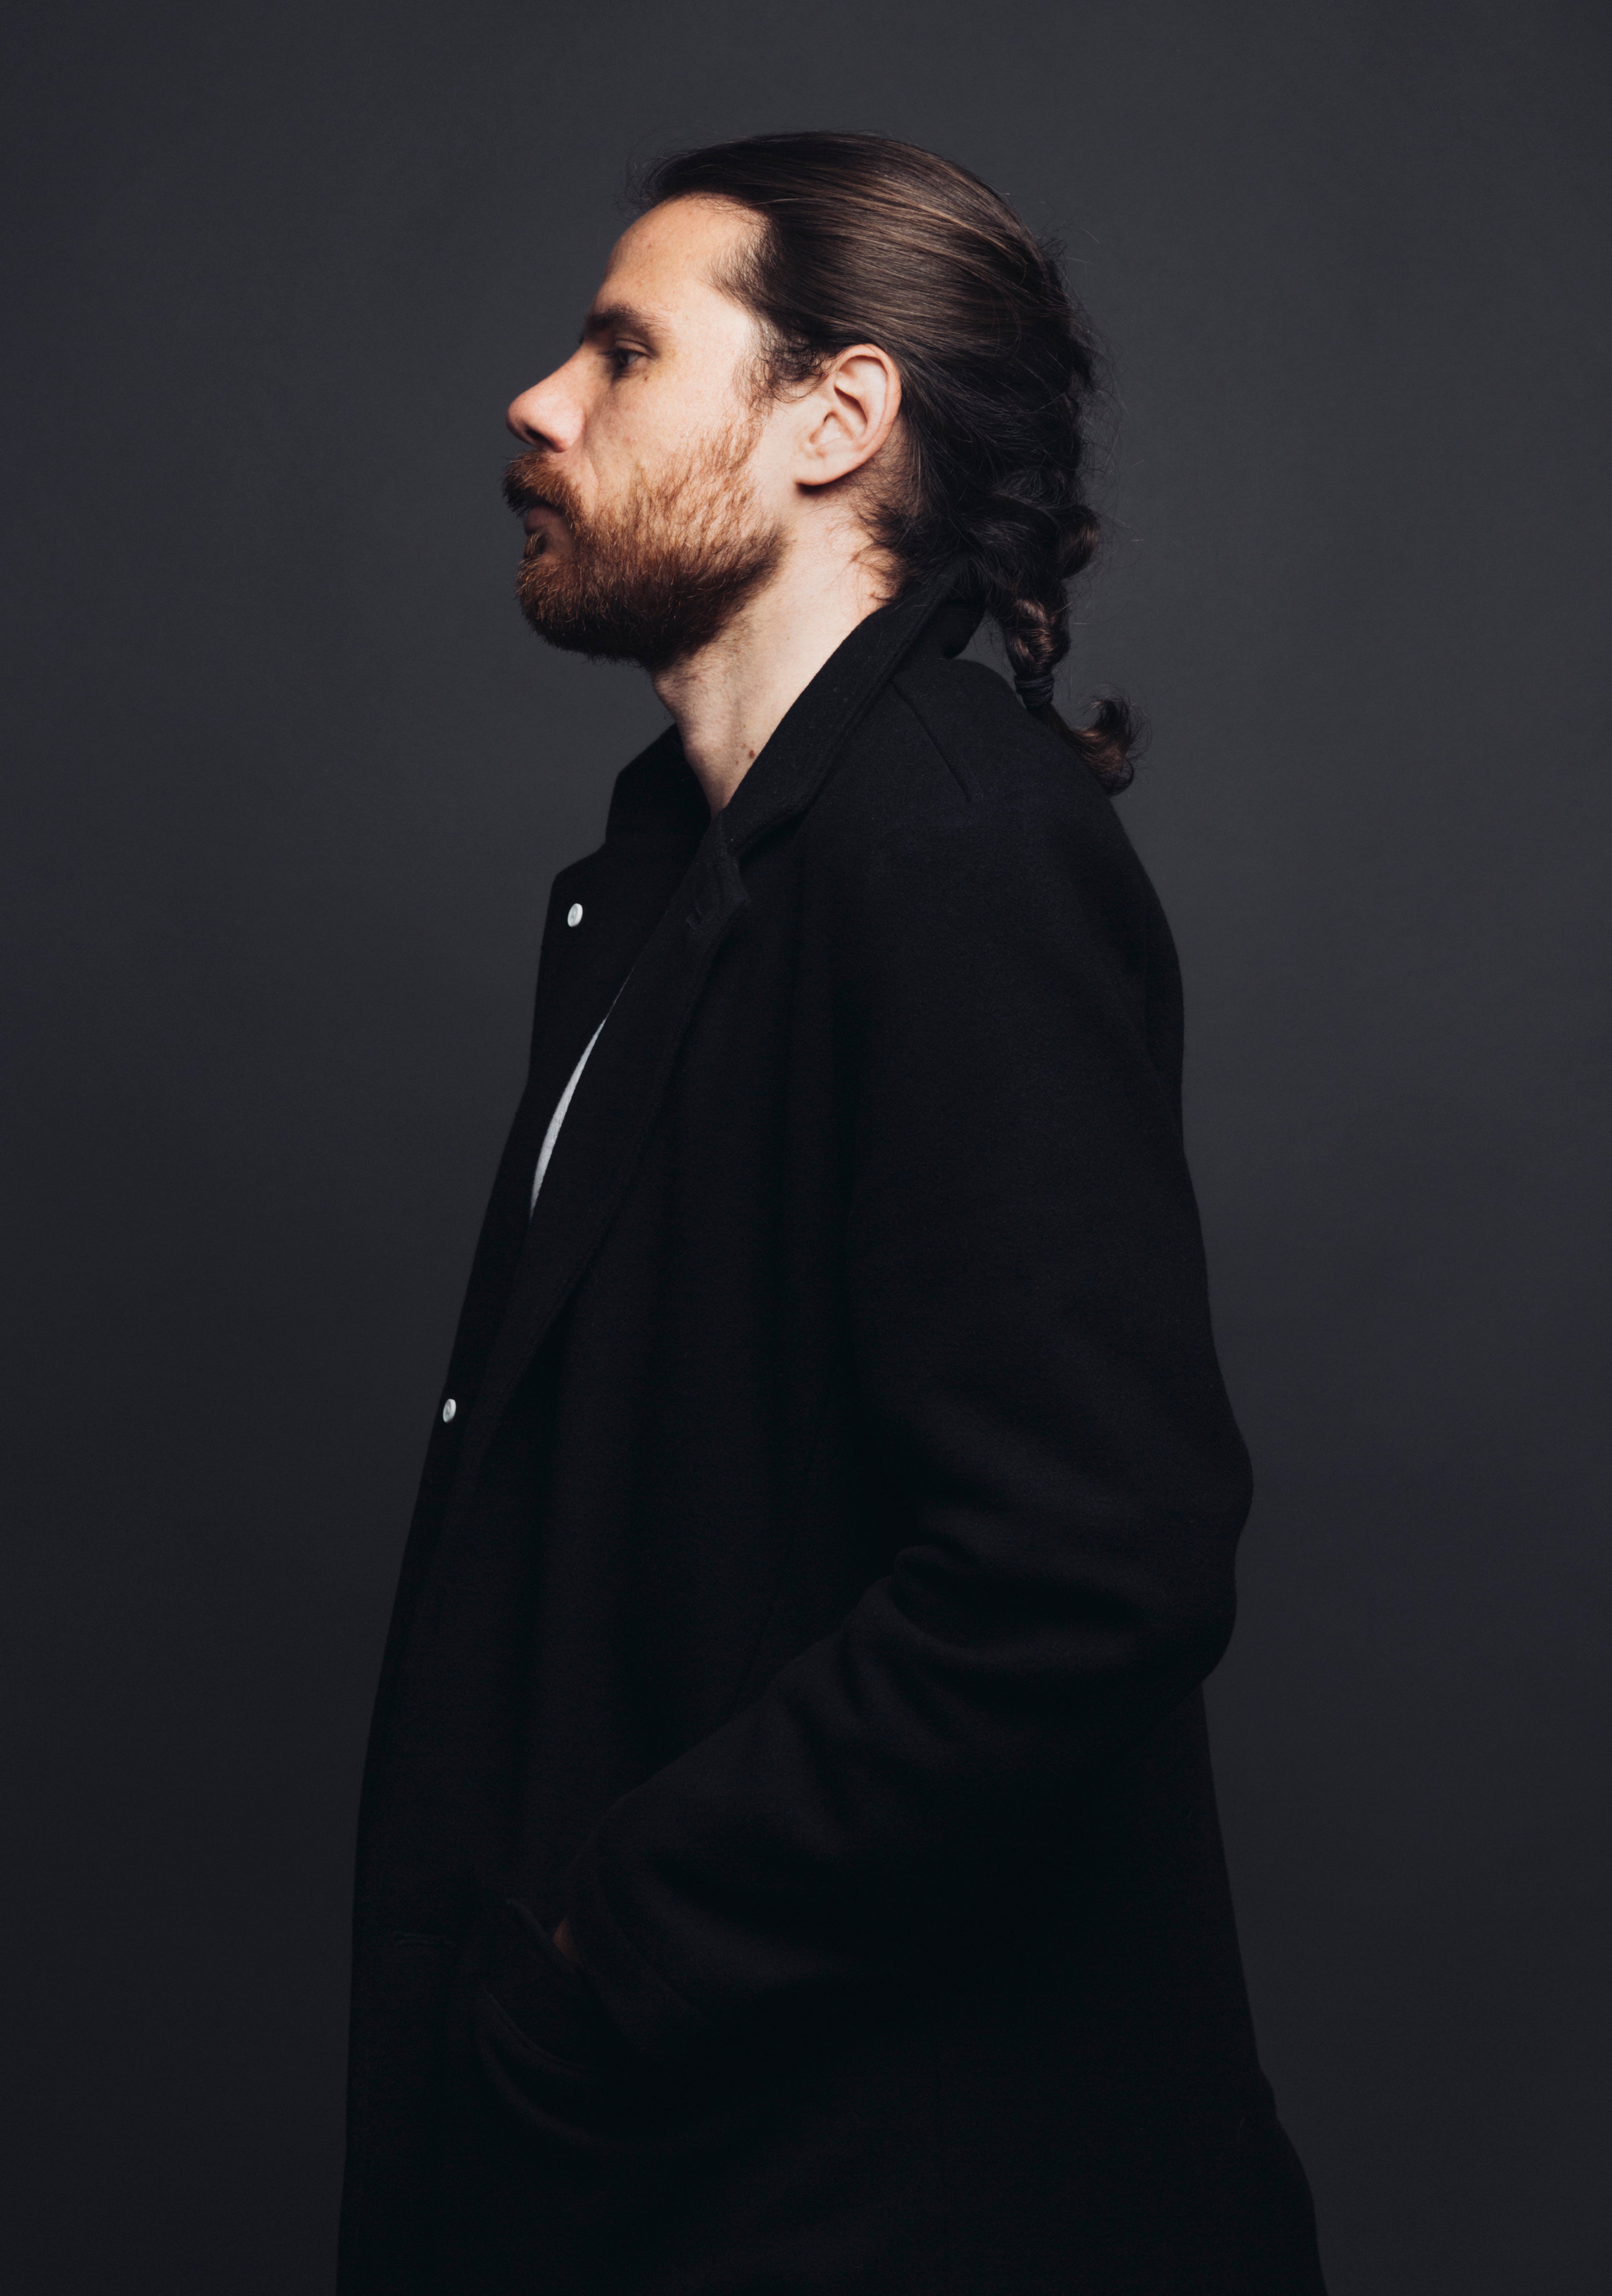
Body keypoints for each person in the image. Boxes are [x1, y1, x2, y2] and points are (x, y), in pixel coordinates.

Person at [339, 131, 1326, 2296]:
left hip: (869, 2193)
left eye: (623, 351)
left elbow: (1089, 1566)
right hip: (670, 2175)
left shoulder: (954, 851)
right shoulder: (677, 883)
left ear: (834, 419)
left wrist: (617, 1946)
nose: (537, 403)